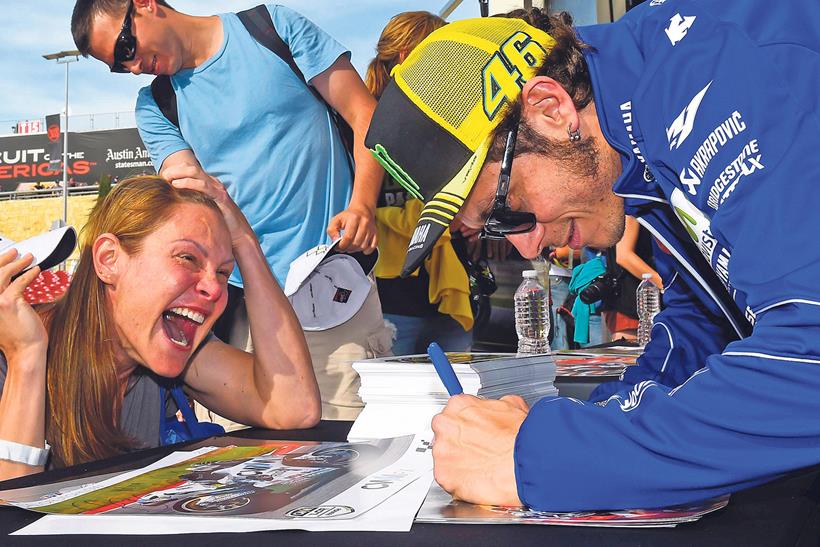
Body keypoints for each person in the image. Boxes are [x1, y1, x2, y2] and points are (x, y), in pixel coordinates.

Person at [364, 2, 820, 511]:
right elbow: (701, 322)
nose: (530, 246)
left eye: (508, 211)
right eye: (491, 232)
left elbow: (810, 356)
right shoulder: (636, 141)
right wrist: (593, 420)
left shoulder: (708, 81)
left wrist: (542, 457)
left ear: (550, 108)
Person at [70, 0, 392, 420]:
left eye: (125, 48)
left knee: (353, 449)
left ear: (145, 5)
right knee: (251, 471)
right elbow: (187, 195)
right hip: (236, 306)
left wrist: (362, 205)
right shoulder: (155, 105)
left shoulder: (271, 27)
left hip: (332, 290)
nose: (131, 67)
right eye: (116, 66)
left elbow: (365, 114)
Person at [0, 176, 319, 481]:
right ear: (109, 260)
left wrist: (246, 243)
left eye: (223, 272)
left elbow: (293, 407)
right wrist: (25, 357)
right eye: (188, 258)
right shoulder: (13, 357)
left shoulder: (168, 345)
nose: (215, 288)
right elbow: (11, 514)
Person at [365, 11, 473, 355]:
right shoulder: (366, 123)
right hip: (392, 299)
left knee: (463, 400)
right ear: (407, 56)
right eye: (440, 52)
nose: (451, 64)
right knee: (397, 404)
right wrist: (446, 215)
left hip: (447, 290)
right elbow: (360, 212)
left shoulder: (449, 116)